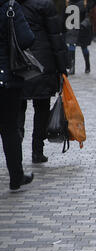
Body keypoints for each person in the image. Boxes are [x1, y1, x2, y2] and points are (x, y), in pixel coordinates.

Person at [18, 0, 68, 164]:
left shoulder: (10, 6)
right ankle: (37, 151)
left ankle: (15, 148)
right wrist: (62, 68)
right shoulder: (45, 5)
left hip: (17, 63)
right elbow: (56, 38)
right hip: (43, 63)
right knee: (41, 109)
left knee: (17, 107)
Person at [0, 0, 35, 191]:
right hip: (7, 79)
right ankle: (16, 175)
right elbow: (26, 38)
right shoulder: (10, 6)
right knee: (9, 128)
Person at [65, 0, 93, 75]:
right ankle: (72, 67)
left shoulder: (83, 3)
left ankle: (87, 66)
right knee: (72, 45)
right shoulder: (70, 3)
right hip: (74, 27)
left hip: (81, 28)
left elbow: (88, 15)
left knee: (83, 46)